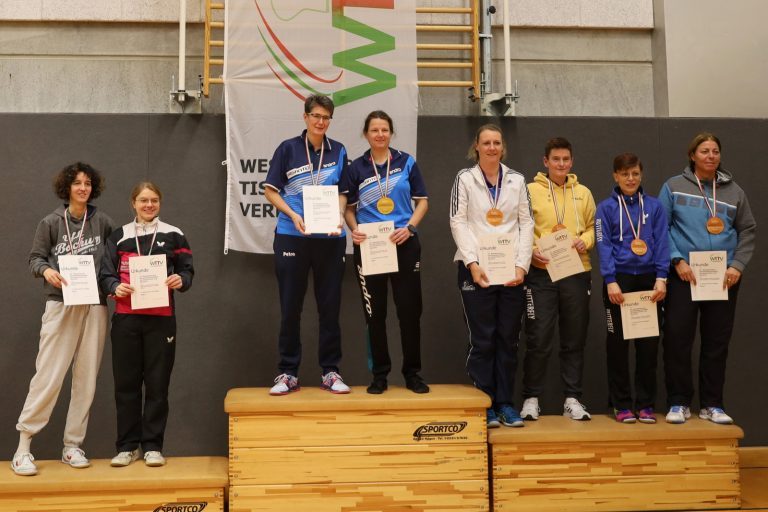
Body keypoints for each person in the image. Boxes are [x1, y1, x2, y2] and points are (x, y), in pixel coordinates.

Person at [12, 162, 113, 476]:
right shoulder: (51, 222)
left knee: (86, 378)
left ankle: (72, 446)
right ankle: (23, 447)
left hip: (94, 305)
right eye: (77, 183)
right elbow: (35, 258)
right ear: (67, 187)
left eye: (87, 183)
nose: (83, 188)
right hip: (61, 303)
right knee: (49, 374)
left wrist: (113, 285)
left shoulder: (103, 222)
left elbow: (112, 262)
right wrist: (46, 271)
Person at [659, 132, 756, 425]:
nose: (711, 156)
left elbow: (748, 230)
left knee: (716, 342)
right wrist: (676, 259)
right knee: (677, 340)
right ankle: (679, 402)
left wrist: (737, 265)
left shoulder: (735, 192)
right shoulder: (673, 186)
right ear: (692, 155)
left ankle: (712, 404)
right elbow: (661, 228)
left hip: (723, 277)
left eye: (715, 151)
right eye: (704, 151)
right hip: (684, 275)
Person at [99, 182, 194, 467]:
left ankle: (152, 446)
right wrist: (114, 286)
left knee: (157, 385)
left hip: (161, 320)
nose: (149, 205)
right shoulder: (119, 236)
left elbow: (187, 271)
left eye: (154, 200)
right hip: (126, 319)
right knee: (126, 385)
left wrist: (181, 280)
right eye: (143, 200)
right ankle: (127, 447)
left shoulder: (174, 234)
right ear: (133, 203)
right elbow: (105, 274)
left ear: (160, 203)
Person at [264, 94, 350, 395]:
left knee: (330, 308)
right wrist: (293, 214)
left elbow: (343, 191)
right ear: (305, 117)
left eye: (326, 117)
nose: (320, 122)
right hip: (292, 235)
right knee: (291, 308)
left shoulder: (338, 150)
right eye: (316, 116)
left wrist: (339, 214)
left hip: (330, 239)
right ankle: (288, 373)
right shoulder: (287, 148)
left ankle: (330, 371)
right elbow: (270, 190)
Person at [450, 124, 534, 427]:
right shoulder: (465, 178)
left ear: (503, 147)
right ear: (477, 146)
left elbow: (526, 223)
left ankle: (505, 404)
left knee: (508, 340)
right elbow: (458, 221)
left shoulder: (517, 180)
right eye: (486, 143)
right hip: (477, 271)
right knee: (483, 340)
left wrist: (522, 266)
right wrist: (473, 263)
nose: (492, 147)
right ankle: (484, 403)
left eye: (497, 142)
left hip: (510, 271)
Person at [342, 111, 429, 394]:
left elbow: (423, 202)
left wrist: (410, 228)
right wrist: (354, 229)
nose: (380, 134)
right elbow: (349, 209)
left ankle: (412, 374)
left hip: (403, 243)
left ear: (391, 133)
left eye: (384, 130)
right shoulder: (356, 168)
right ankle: (379, 375)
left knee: (409, 313)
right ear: (366, 134)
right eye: (374, 130)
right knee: (374, 314)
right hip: (371, 246)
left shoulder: (407, 162)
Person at [521, 137, 596, 421]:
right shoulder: (529, 191)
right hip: (541, 272)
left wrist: (584, 241)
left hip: (576, 271)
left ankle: (572, 399)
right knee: (538, 337)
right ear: (546, 161)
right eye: (556, 159)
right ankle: (531, 398)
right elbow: (520, 226)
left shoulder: (583, 193)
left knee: (574, 338)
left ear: (572, 161)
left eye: (566, 159)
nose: (561, 164)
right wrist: (530, 252)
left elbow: (593, 227)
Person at [595, 153, 669, 424]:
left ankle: (646, 404)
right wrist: (610, 279)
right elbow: (603, 244)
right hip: (619, 281)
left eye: (635, 173)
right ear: (615, 176)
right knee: (617, 346)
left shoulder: (655, 206)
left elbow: (662, 241)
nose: (630, 179)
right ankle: (622, 404)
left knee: (648, 347)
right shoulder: (605, 208)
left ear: (641, 175)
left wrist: (662, 277)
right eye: (625, 174)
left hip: (649, 280)